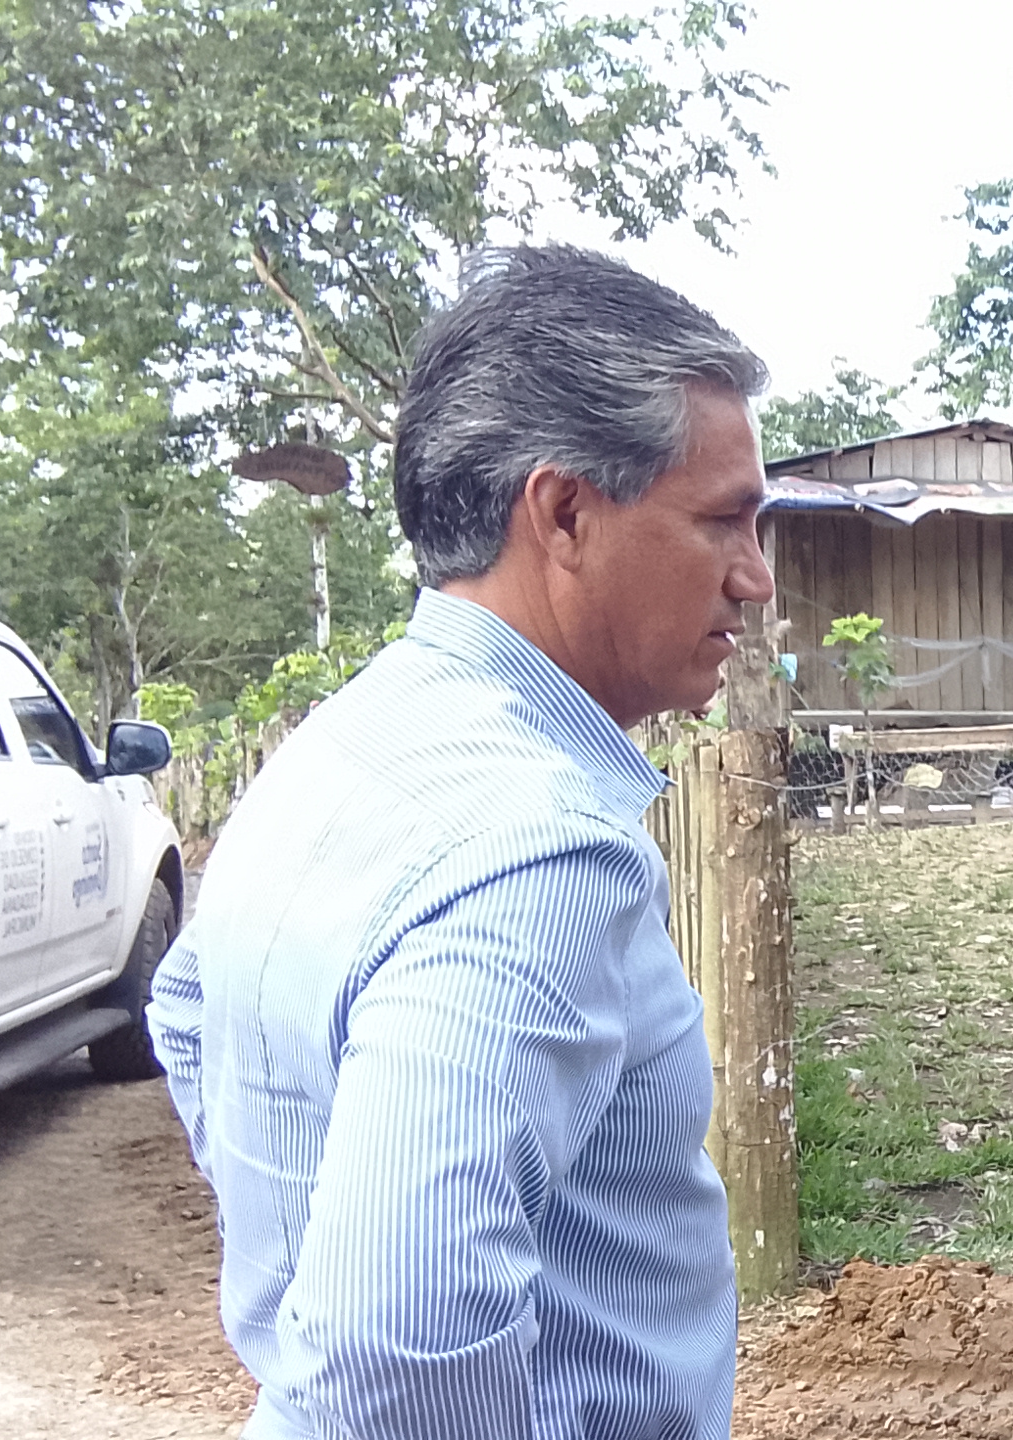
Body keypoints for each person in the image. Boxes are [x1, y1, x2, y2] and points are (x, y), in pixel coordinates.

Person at [147, 246, 771, 1440]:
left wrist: (311, 1223)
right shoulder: (536, 852)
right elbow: (400, 1345)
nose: (755, 578)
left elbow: (185, 1009)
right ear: (565, 513)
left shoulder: (340, 748)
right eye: (722, 521)